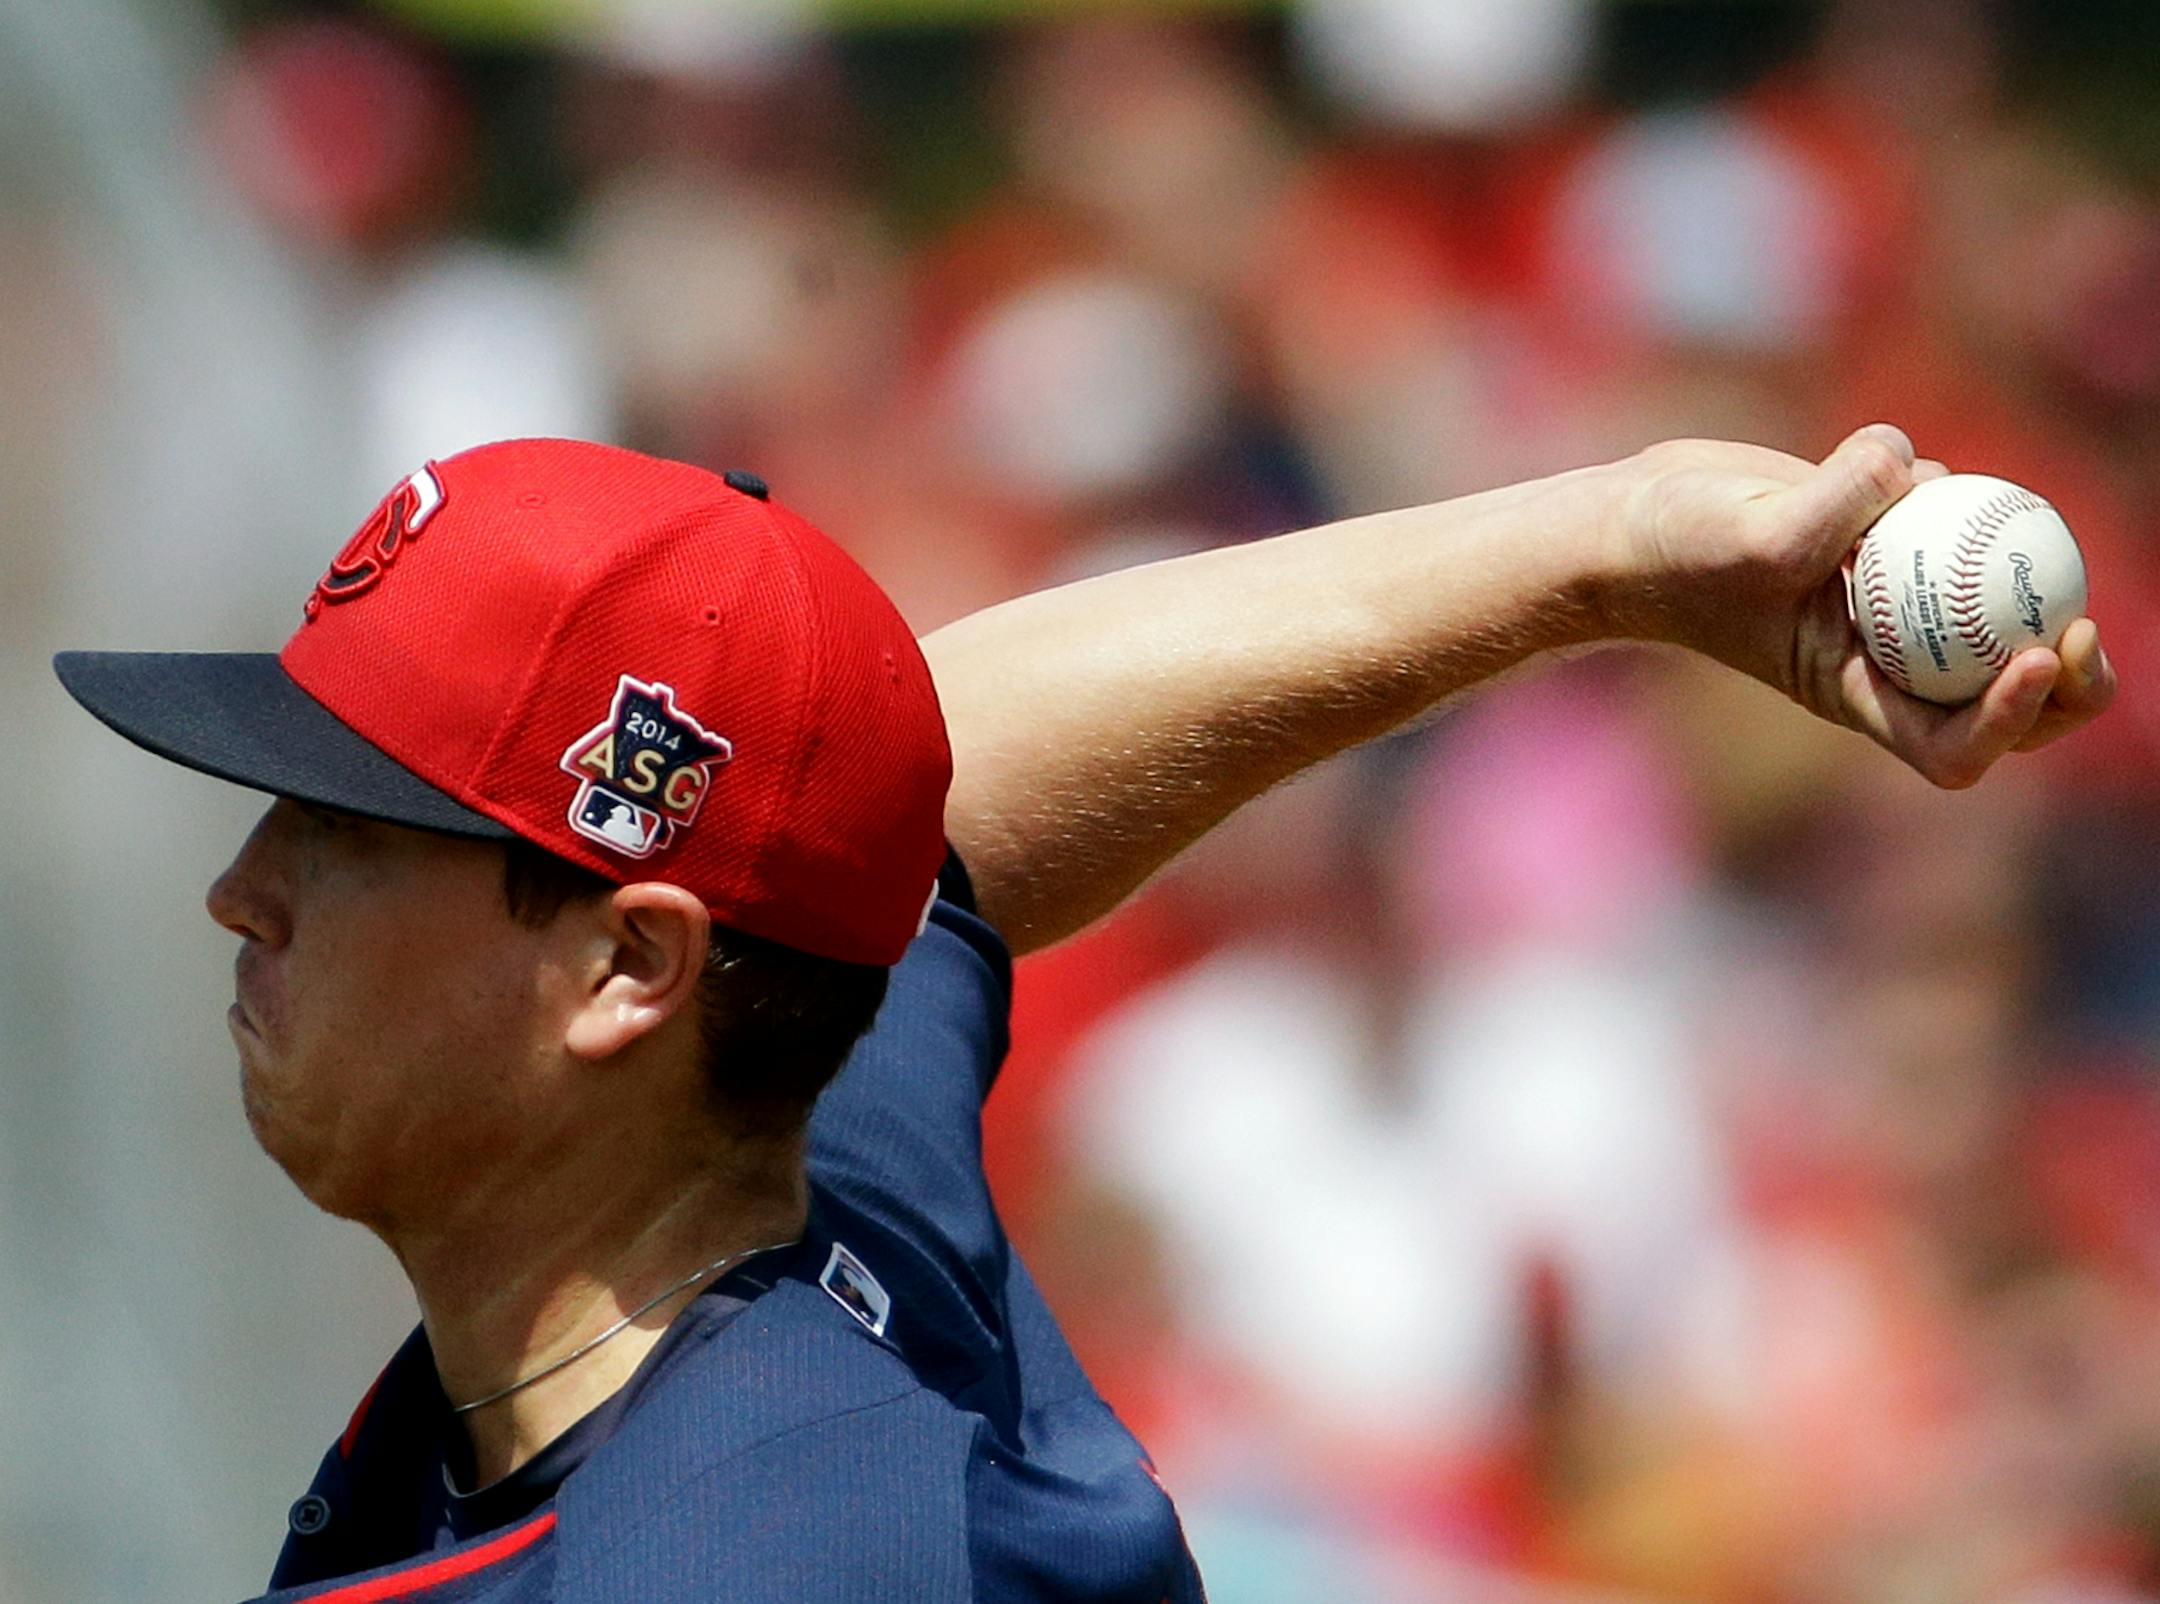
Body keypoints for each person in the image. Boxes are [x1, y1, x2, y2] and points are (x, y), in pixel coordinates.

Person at [54, 427, 2111, 1603]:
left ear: (625, 970)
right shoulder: (796, 1166)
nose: (246, 886)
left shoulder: (755, 1562)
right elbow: (921, 805)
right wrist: (1619, 551)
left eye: (344, 831)